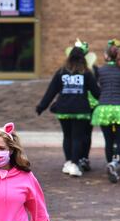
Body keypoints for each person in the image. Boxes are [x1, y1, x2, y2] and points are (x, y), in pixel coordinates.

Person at [36, 41, 100, 177]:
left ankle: (68, 162)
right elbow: (96, 92)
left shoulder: (61, 72)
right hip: (80, 110)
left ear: (69, 57)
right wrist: (105, 99)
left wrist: (42, 107)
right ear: (83, 58)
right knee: (77, 137)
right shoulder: (86, 73)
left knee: (67, 136)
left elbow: (51, 91)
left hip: (63, 109)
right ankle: (74, 165)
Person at [91, 39, 120, 183]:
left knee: (108, 140)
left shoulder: (100, 70)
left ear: (106, 56)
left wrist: (101, 97)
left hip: (104, 107)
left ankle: (110, 163)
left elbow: (95, 89)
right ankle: (115, 163)